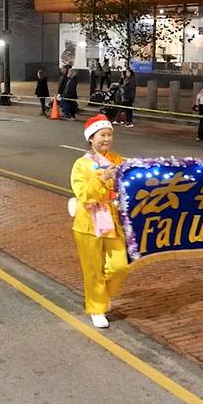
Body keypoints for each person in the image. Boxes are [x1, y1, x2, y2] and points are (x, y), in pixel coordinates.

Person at [69, 114, 129, 329]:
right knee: (92, 269)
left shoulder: (119, 161)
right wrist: (102, 179)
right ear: (91, 139)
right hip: (88, 224)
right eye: (102, 135)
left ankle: (102, 297)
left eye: (109, 135)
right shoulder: (81, 165)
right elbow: (83, 194)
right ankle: (96, 308)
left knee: (120, 266)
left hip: (113, 221)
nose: (106, 139)